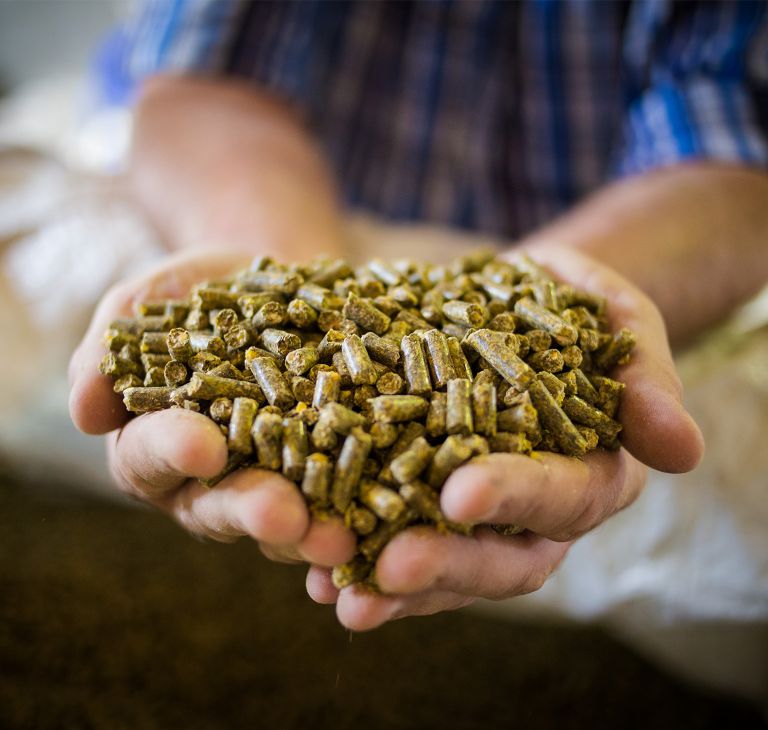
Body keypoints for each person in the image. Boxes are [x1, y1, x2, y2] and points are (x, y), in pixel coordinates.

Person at [70, 1, 767, 632]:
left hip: (602, 236)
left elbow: (733, 143)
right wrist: (277, 271)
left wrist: (542, 305)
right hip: (270, 206)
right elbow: (204, 83)